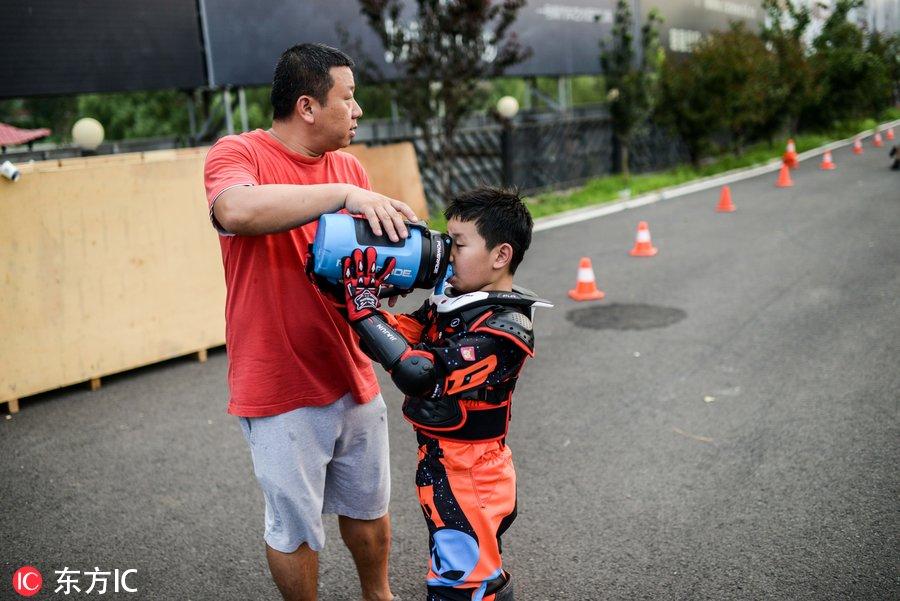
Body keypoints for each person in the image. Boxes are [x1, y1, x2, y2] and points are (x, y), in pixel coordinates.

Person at [203, 43, 418, 601]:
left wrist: (400, 265)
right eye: (348, 98)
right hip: (278, 383)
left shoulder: (349, 165)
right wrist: (343, 196)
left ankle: (380, 596)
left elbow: (361, 270)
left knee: (369, 507)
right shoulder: (238, 153)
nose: (358, 110)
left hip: (351, 368)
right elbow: (236, 211)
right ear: (307, 106)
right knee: (296, 526)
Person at [335, 188, 550, 601]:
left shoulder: (505, 327)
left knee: (459, 585)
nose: (448, 252)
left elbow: (420, 373)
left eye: (460, 243)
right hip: (442, 462)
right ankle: (489, 584)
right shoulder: (455, 303)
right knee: (467, 562)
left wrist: (365, 313)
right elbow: (394, 339)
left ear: (501, 255)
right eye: (447, 240)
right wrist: (352, 295)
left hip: (471, 473)